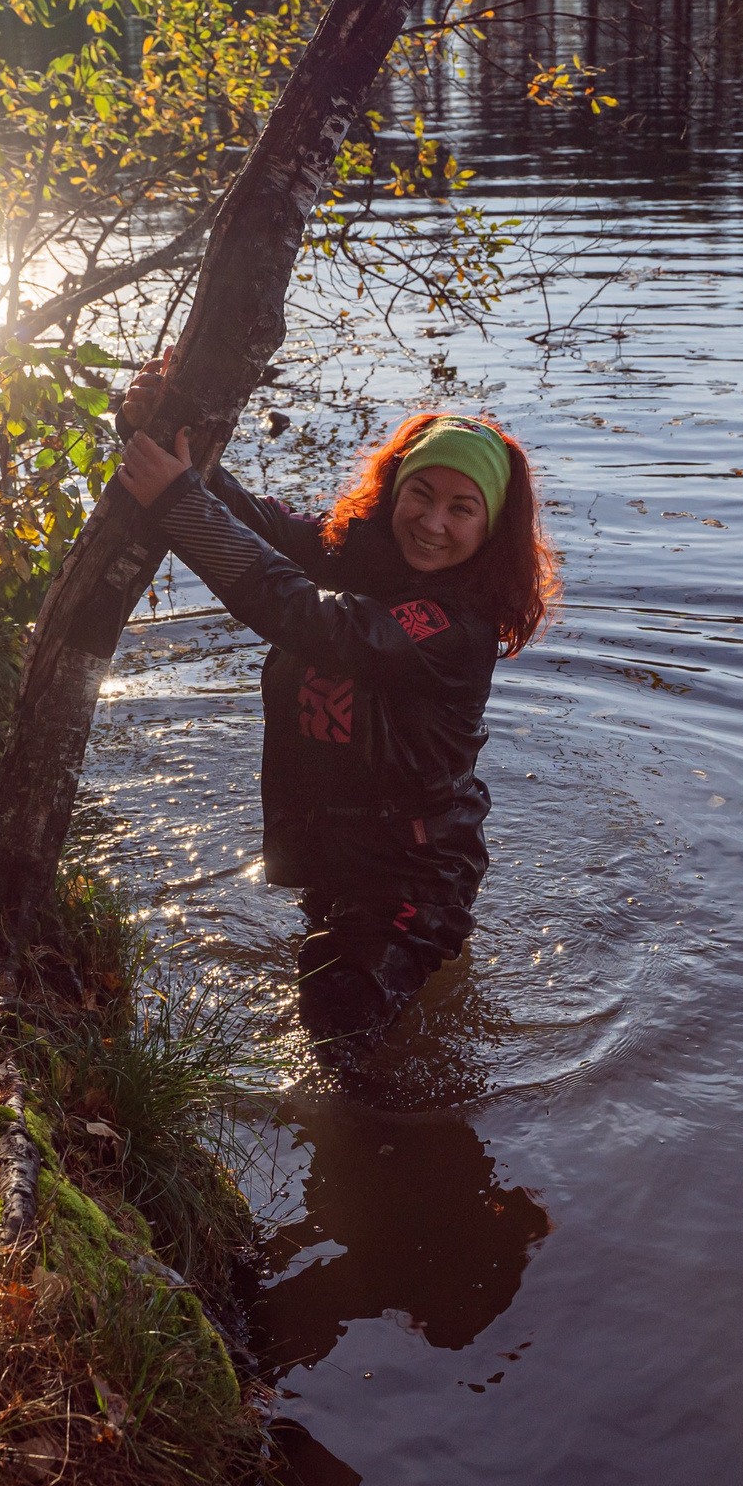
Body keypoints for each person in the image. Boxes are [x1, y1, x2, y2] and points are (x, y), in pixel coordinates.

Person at [113, 355, 557, 1050]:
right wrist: (174, 452)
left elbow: (309, 620)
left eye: (462, 508)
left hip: (413, 877)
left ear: (491, 527)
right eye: (422, 494)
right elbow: (266, 530)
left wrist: (179, 500)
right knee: (339, 1021)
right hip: (342, 855)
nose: (434, 522)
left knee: (340, 1033)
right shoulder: (366, 553)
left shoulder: (456, 628)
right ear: (395, 491)